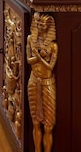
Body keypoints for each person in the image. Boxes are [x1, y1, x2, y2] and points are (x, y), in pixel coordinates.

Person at [27, 12, 58, 152]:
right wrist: (40, 57)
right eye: (38, 24)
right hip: (33, 81)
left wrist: (38, 55)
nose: (40, 27)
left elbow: (50, 67)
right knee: (35, 122)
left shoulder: (52, 46)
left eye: (42, 24)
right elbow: (29, 60)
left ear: (48, 26)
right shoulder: (30, 39)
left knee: (49, 125)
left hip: (47, 83)